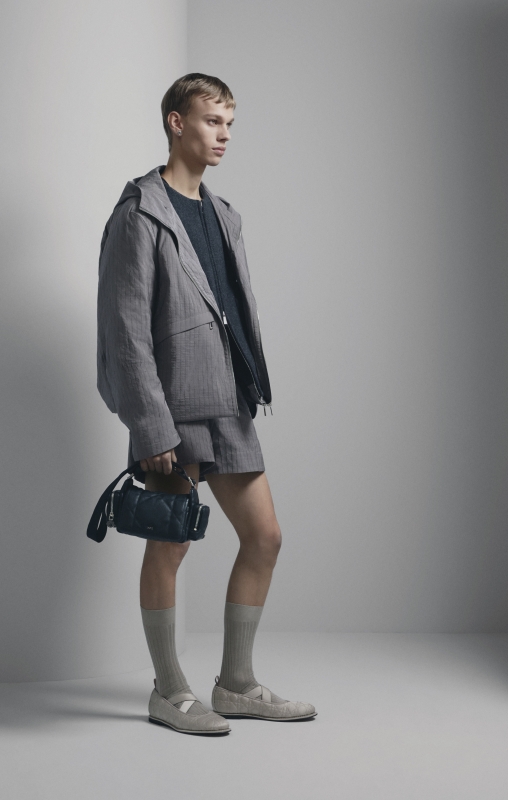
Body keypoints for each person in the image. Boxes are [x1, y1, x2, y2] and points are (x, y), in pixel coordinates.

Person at [96, 73, 316, 735]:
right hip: (173, 407)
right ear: (176, 122)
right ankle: (169, 691)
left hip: (229, 400)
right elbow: (126, 329)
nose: (223, 135)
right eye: (212, 121)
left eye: (229, 124)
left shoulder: (223, 214)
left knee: (265, 536)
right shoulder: (140, 212)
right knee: (170, 546)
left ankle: (236, 683)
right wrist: (150, 424)